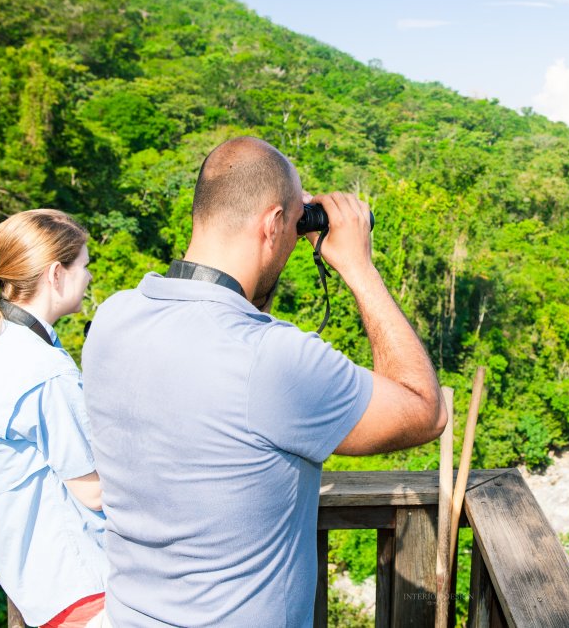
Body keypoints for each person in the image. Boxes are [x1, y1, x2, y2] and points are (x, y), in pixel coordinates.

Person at [82, 136, 445, 626]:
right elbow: (426, 410)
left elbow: (220, 321)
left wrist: (277, 231)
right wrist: (359, 266)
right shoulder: (273, 360)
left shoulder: (112, 320)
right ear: (274, 224)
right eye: (294, 227)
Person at [0, 209, 108, 628]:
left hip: (41, 584)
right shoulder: (42, 370)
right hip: (80, 584)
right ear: (56, 274)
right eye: (84, 265)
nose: (89, 276)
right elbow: (92, 491)